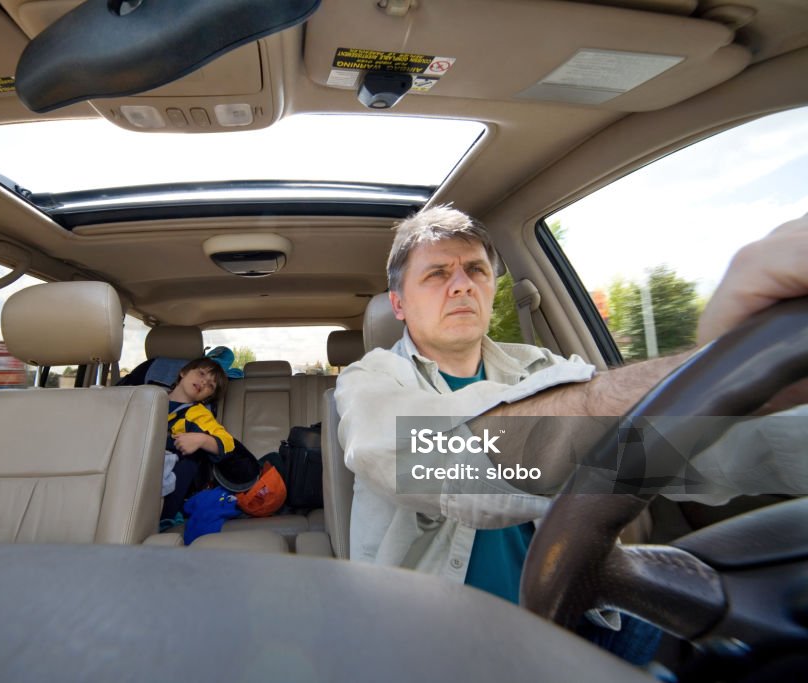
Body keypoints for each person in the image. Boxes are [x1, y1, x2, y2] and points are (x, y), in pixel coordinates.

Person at [334, 206, 808, 661]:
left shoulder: (545, 368)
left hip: (574, 615)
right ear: (398, 304)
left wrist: (763, 382)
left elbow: (693, 448)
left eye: (476, 271)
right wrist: (724, 368)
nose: (461, 285)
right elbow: (427, 452)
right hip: (430, 640)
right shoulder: (367, 381)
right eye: (437, 274)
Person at [159, 357, 236, 524]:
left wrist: (202, 440)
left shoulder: (198, 414)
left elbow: (229, 444)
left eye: (210, 386)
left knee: (192, 457)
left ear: (208, 397)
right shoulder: (151, 396)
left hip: (167, 483)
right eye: (201, 373)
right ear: (183, 372)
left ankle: (164, 517)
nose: (203, 382)